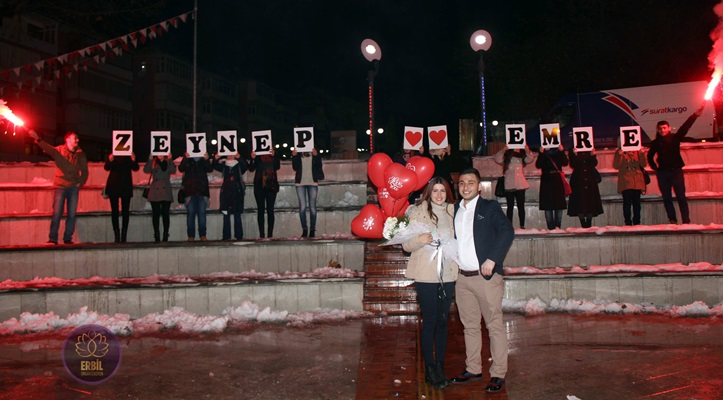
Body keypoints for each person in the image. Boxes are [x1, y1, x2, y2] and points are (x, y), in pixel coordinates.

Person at [451, 168, 514, 394]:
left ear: (479, 187)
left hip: (485, 277)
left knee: (493, 326)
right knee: (469, 326)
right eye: (462, 183)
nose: (466, 186)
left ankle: (498, 373)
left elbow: (507, 231)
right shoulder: (455, 210)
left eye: (470, 182)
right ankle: (473, 368)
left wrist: (493, 259)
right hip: (462, 278)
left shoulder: (489, 207)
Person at [401, 177, 458, 389]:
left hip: (447, 274)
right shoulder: (417, 212)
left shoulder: (453, 211)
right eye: (435, 191)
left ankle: (439, 365)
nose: (439, 195)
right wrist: (420, 239)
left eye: (442, 191)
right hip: (426, 275)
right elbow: (406, 245)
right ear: (429, 193)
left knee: (443, 321)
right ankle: (430, 368)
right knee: (430, 321)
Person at [647, 103, 706, 224]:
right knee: (667, 198)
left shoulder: (675, 138)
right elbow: (650, 155)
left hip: (676, 171)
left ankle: (686, 221)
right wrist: (655, 168)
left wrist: (695, 115)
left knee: (681, 197)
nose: (662, 130)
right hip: (663, 173)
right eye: (660, 128)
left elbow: (685, 127)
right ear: (658, 130)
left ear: (669, 128)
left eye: (664, 128)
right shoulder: (656, 142)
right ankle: (672, 219)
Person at [27, 130, 88, 244]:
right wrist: (38, 139)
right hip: (60, 186)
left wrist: (80, 182)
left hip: (73, 187)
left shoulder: (80, 154)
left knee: (71, 214)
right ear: (67, 140)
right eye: (75, 138)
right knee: (57, 213)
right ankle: (53, 238)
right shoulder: (59, 150)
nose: (77, 140)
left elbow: (85, 171)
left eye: (77, 138)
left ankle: (67, 238)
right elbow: (48, 148)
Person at [493, 145, 534, 228]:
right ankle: (509, 225)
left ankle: (522, 225)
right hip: (509, 185)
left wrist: (526, 149)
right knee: (510, 206)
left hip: (520, 185)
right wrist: (504, 149)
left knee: (521, 206)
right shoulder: (507, 156)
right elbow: (497, 158)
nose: (517, 149)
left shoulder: (521, 156)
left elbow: (530, 159)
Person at [104, 153, 140, 242]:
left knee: (125, 211)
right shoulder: (114, 154)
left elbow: (136, 168)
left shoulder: (128, 154)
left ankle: (123, 235)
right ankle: (117, 235)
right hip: (114, 184)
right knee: (114, 211)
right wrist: (109, 160)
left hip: (125, 184)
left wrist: (133, 160)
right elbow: (106, 167)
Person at [213, 152, 249, 240]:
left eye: (231, 154)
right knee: (226, 214)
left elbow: (246, 166)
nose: (230, 156)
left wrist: (240, 157)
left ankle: (239, 235)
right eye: (228, 154)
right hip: (226, 191)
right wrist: (215, 158)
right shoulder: (224, 165)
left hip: (237, 191)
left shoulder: (238, 165)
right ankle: (226, 235)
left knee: (237, 213)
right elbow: (214, 166)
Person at [178, 152, 213, 241]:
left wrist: (206, 159)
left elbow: (210, 169)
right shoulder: (188, 159)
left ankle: (202, 235)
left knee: (202, 214)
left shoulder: (203, 159)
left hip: (202, 191)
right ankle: (191, 236)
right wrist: (185, 158)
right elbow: (181, 168)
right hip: (190, 190)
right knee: (191, 214)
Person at [291, 148, 324, 238]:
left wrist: (316, 155)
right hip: (300, 183)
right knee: (302, 207)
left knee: (312, 208)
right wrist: (294, 156)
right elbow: (295, 167)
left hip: (312, 182)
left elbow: (319, 166)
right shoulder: (298, 151)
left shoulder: (313, 150)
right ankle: (304, 229)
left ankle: (312, 230)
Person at [567, 149, 603, 228]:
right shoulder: (575, 149)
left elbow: (594, 163)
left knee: (590, 202)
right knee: (580, 203)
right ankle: (583, 223)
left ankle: (588, 222)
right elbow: (573, 164)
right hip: (579, 180)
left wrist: (593, 155)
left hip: (589, 180)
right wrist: (574, 154)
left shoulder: (589, 148)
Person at [144, 153, 176, 242]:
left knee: (165, 214)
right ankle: (156, 235)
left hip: (165, 190)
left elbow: (173, 170)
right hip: (155, 190)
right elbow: (146, 170)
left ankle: (165, 234)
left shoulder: (167, 161)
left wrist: (170, 159)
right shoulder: (154, 162)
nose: (160, 155)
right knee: (156, 214)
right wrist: (150, 159)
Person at [535, 145, 569, 230]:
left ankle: (558, 227)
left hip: (557, 181)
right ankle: (550, 228)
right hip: (547, 181)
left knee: (559, 205)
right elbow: (538, 165)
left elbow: (565, 163)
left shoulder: (558, 152)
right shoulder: (543, 154)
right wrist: (541, 153)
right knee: (548, 206)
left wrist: (561, 151)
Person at [249, 149, 280, 238]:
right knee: (260, 210)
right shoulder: (258, 154)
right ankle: (262, 234)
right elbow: (251, 168)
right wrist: (253, 158)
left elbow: (277, 166)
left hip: (271, 184)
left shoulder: (273, 154)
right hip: (259, 185)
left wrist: (274, 156)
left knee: (270, 210)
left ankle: (270, 234)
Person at [613, 148, 648, 225]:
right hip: (625, 180)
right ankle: (628, 222)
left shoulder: (637, 151)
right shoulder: (620, 151)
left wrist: (642, 154)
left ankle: (637, 222)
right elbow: (616, 166)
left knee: (637, 203)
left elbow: (644, 164)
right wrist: (619, 155)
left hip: (637, 180)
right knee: (627, 202)